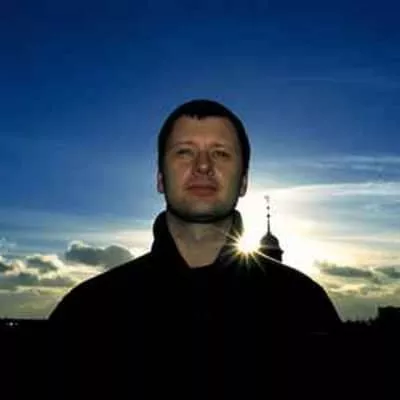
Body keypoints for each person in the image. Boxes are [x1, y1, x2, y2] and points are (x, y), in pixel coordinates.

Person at [47, 99, 342, 399]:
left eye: (221, 153)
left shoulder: (305, 307)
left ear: (243, 182)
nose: (203, 166)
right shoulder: (86, 313)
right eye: (184, 152)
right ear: (160, 178)